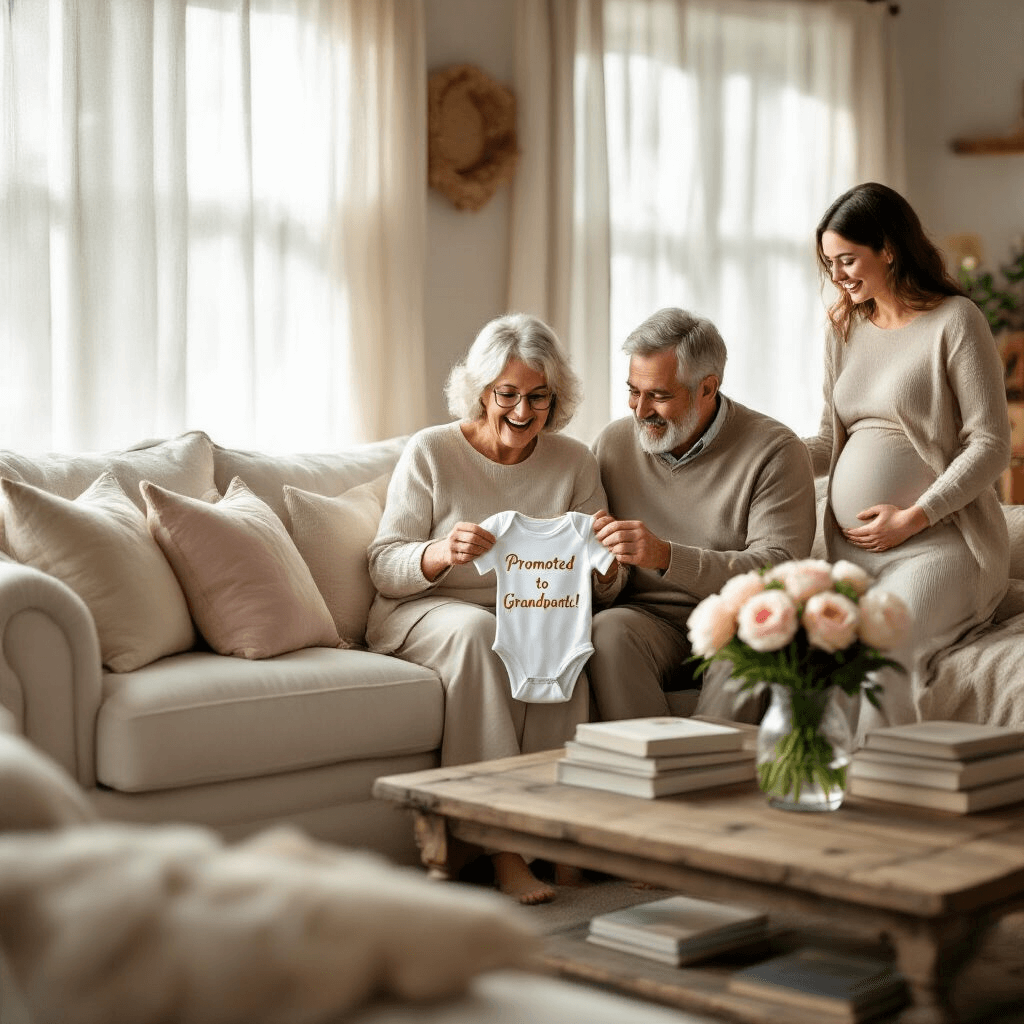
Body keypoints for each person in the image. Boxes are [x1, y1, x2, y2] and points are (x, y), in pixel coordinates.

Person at [366, 313, 621, 905]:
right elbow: (383, 564)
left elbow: (603, 589)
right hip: (430, 609)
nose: (523, 412)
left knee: (568, 639)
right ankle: (502, 846)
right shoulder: (431, 451)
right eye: (508, 394)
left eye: (539, 397)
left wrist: (609, 562)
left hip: (535, 607)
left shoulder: (574, 462)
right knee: (482, 631)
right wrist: (438, 552)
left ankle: (560, 836)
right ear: (482, 391)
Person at [804, 181, 1010, 739]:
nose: (839, 276)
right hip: (854, 554)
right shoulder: (844, 328)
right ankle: (827, 789)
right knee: (804, 653)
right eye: (830, 264)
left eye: (848, 260)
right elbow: (830, 439)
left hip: (940, 545)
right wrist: (760, 456)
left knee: (881, 644)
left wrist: (914, 516)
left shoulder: (955, 321)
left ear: (889, 249)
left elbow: (991, 443)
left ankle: (884, 793)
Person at [587, 307, 817, 722]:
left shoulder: (775, 450)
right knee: (608, 631)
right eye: (633, 391)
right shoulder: (612, 444)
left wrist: (666, 557)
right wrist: (604, 573)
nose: (639, 410)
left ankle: (710, 776)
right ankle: (647, 768)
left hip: (737, 619)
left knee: (749, 645)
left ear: (707, 388)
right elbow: (603, 575)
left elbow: (779, 570)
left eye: (658, 395)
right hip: (649, 622)